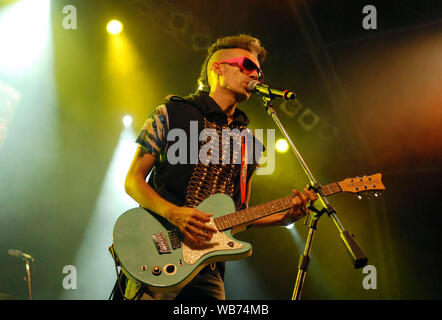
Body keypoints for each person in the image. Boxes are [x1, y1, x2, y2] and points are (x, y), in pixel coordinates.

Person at [112, 34, 317, 300]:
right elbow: (133, 181)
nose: (256, 74)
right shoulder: (171, 113)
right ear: (217, 68)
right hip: (158, 254)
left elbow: (239, 217)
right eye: (247, 65)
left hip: (208, 270)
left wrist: (284, 218)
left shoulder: (251, 144)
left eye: (259, 70)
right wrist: (174, 213)